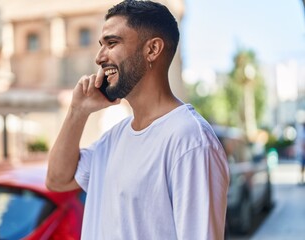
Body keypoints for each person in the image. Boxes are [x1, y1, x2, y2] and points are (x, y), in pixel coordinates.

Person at [46, 0, 230, 239]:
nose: (100, 57)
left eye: (112, 43)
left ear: (152, 49)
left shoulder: (190, 141)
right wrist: (77, 112)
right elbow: (57, 180)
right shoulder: (113, 139)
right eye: (101, 45)